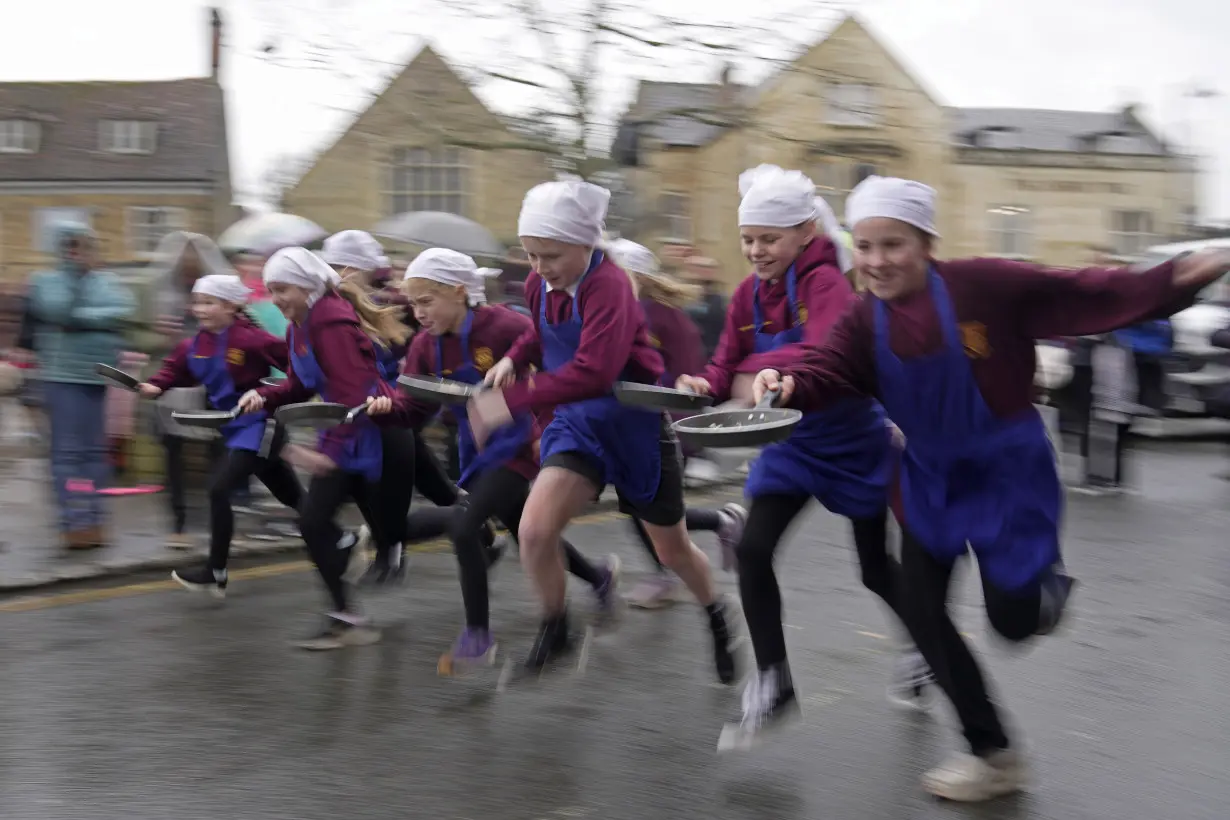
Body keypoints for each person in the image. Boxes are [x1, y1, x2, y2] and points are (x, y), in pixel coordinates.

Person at [752, 175, 1229, 801]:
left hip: (1007, 470)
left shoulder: (985, 285)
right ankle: (993, 753)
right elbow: (829, 368)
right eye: (864, 247)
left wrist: (1184, 273)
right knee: (921, 605)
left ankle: (1042, 591)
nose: (875, 262)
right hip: (928, 477)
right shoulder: (865, 319)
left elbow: (1086, 291)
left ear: (926, 243)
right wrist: (787, 384)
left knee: (1012, 624)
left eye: (892, 245)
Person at [672, 166, 915, 750]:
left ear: (805, 232)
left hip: (851, 438)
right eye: (748, 239)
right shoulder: (745, 294)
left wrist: (771, 372)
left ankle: (921, 644)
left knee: (875, 567)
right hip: (794, 442)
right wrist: (702, 383)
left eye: (769, 239)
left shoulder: (828, 283)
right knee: (753, 550)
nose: (756, 251)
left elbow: (827, 350)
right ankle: (774, 681)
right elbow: (726, 359)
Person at [468, 179, 738, 679]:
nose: (539, 268)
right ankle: (558, 630)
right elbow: (537, 331)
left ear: (585, 244)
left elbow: (595, 371)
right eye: (530, 255)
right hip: (576, 426)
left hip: (632, 427)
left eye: (550, 255)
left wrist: (512, 400)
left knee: (671, 549)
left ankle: (718, 615)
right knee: (533, 531)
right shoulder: (538, 282)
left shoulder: (610, 286)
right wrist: (511, 359)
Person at [366, 248, 619, 669]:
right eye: (413, 304)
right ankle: (598, 576)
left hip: (526, 443)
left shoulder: (504, 325)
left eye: (427, 301)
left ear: (460, 292)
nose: (419, 313)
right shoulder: (425, 348)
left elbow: (559, 367)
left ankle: (478, 637)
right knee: (526, 531)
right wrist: (385, 409)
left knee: (465, 526)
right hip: (479, 453)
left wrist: (550, 427)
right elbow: (414, 408)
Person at [239, 247, 406, 650]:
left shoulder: (330, 322)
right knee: (377, 528)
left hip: (370, 434)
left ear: (307, 285)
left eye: (283, 290)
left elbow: (354, 393)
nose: (276, 299)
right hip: (348, 433)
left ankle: (469, 521)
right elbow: (300, 384)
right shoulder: (300, 324)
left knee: (321, 522)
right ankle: (347, 612)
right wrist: (265, 396)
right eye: (271, 290)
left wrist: (331, 453)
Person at [138, 274, 301, 597]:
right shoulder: (194, 344)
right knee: (292, 496)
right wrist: (154, 386)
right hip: (233, 428)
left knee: (218, 489)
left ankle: (216, 570)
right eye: (197, 302)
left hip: (261, 425)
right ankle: (341, 541)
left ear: (231, 307)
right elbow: (173, 370)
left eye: (209, 302)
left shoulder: (253, 339)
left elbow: (299, 366)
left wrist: (272, 391)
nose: (200, 309)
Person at [605, 238, 747, 610]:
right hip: (629, 427)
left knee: (649, 509)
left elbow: (687, 374)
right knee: (644, 508)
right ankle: (720, 522)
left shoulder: (661, 316)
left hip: (662, 428)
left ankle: (669, 573)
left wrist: (683, 428)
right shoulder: (624, 311)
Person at [26, 223, 136, 549]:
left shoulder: (108, 281)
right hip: (62, 376)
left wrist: (80, 319)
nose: (78, 252)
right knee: (67, 454)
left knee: (95, 453)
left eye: (84, 246)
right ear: (61, 250)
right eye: (71, 246)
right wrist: (82, 294)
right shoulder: (45, 281)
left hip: (97, 375)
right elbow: (58, 310)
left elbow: (122, 311)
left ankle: (94, 519)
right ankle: (73, 522)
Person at [130, 232, 236, 547]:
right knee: (173, 454)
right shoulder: (154, 292)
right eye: (185, 266)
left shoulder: (220, 295)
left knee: (216, 453)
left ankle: (219, 522)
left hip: (212, 384)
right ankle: (178, 524)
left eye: (196, 267)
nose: (190, 272)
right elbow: (132, 336)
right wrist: (158, 337)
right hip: (171, 383)